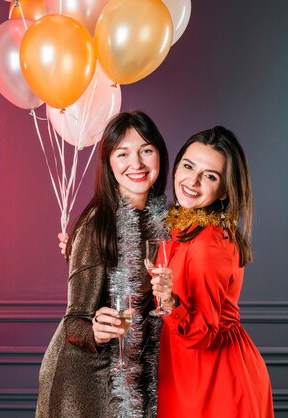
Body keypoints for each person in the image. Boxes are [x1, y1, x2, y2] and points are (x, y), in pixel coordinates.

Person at [36, 111, 169, 418]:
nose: (136, 164)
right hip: (84, 383)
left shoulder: (158, 220)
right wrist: (96, 331)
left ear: (160, 154)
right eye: (122, 154)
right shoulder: (98, 226)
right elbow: (74, 322)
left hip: (132, 374)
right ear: (108, 163)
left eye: (146, 150)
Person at [151, 126, 274, 417]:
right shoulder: (182, 226)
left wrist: (169, 303)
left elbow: (202, 334)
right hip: (188, 373)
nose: (192, 181)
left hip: (214, 380)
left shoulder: (209, 243)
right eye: (188, 166)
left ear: (224, 189)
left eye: (210, 175)